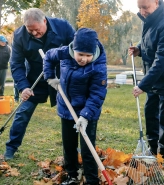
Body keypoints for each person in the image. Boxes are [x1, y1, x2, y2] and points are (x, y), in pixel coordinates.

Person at [4, 8, 75, 160]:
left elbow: (76, 50)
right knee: (22, 113)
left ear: (44, 21)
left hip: (61, 78)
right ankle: (11, 148)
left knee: (72, 113)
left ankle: (76, 150)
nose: (34, 34)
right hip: (35, 80)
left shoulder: (63, 27)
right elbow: (16, 63)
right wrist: (23, 87)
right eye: (30, 31)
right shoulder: (19, 35)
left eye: (37, 30)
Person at [43, 28, 107, 185]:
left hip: (88, 113)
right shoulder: (64, 52)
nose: (84, 59)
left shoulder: (98, 66)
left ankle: (92, 180)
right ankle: (73, 175)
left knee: (87, 149)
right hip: (66, 108)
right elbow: (48, 57)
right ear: (73, 49)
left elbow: (97, 94)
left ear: (94, 53)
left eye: (88, 55)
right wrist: (50, 77)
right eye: (81, 54)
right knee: (69, 145)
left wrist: (85, 116)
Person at [129, 0, 164, 168]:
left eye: (145, 7)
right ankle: (153, 151)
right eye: (139, 7)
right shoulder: (150, 20)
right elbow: (150, 42)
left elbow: (162, 59)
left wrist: (142, 85)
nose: (142, 11)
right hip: (153, 79)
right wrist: (139, 49)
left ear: (156, 3)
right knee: (150, 114)